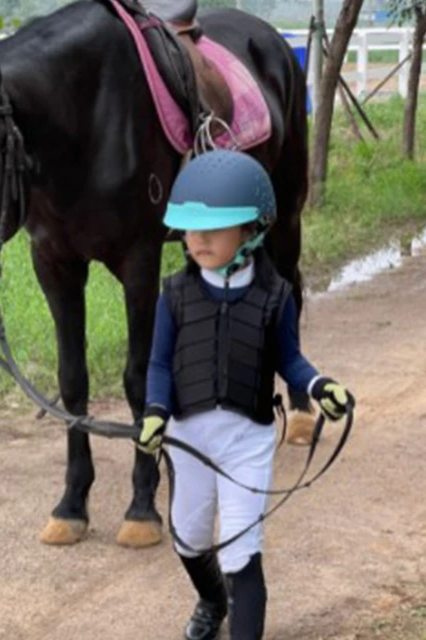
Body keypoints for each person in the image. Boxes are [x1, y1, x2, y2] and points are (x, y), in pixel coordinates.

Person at [137, 150, 354, 640]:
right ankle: (212, 601)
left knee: (241, 550)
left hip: (246, 440)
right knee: (189, 538)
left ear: (251, 229)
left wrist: (320, 386)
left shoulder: (276, 296)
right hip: (187, 436)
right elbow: (157, 364)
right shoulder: (173, 294)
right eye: (191, 230)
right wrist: (154, 413)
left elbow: (290, 361)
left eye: (213, 229)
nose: (199, 240)